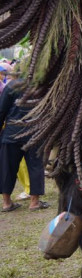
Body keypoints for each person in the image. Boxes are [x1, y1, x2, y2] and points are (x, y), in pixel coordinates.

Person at [0, 74, 48, 212]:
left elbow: (2, 110)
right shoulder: (41, 85)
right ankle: (34, 202)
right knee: (35, 166)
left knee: (7, 168)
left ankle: (7, 203)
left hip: (12, 133)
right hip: (34, 133)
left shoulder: (11, 85)